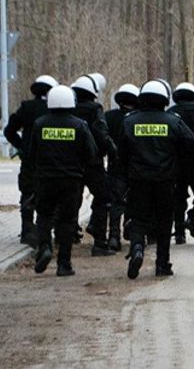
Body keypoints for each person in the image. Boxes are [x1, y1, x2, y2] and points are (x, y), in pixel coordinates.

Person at [119, 80, 194, 279]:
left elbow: (122, 152)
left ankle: (137, 247)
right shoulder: (173, 121)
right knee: (164, 221)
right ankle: (162, 264)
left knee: (138, 218)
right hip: (165, 180)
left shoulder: (129, 122)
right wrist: (178, 163)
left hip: (138, 180)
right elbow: (190, 143)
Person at [29, 85, 98, 276]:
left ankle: (44, 247)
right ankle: (64, 264)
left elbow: (31, 153)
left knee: (44, 215)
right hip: (71, 180)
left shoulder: (39, 124)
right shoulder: (79, 125)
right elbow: (91, 152)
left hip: (45, 179)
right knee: (67, 221)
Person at [4, 75, 58, 247]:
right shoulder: (54, 108)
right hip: (51, 160)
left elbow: (9, 130)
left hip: (29, 160)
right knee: (50, 194)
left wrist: (22, 146)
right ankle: (45, 232)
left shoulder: (26, 107)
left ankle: (27, 231)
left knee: (27, 193)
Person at [71, 75, 117, 256]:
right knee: (104, 197)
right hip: (92, 163)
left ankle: (66, 238)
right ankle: (99, 242)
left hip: (72, 163)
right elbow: (101, 133)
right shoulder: (95, 109)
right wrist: (112, 150)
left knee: (71, 199)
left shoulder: (69, 107)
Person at [167, 82, 194, 244]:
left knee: (178, 196)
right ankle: (193, 217)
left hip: (175, 162)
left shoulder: (171, 113)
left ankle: (179, 232)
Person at [104, 84, 140, 251]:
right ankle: (131, 231)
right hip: (136, 166)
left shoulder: (109, 117)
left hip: (116, 166)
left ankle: (114, 236)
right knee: (135, 199)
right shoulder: (138, 118)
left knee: (116, 202)